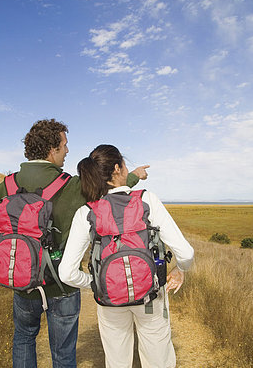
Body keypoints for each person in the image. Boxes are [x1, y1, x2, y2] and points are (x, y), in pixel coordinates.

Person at [0, 120, 148, 368]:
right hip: (62, 287)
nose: (67, 151)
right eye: (64, 145)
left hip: (23, 284)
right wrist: (134, 177)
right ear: (52, 149)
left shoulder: (4, 187)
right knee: (62, 352)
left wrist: (26, 260)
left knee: (24, 339)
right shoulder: (70, 186)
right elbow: (108, 196)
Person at [59, 144, 194, 368]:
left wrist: (94, 282)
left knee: (117, 361)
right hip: (151, 296)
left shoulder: (86, 213)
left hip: (109, 300)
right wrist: (180, 270)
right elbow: (186, 252)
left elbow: (67, 273)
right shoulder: (147, 200)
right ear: (118, 169)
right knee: (158, 359)